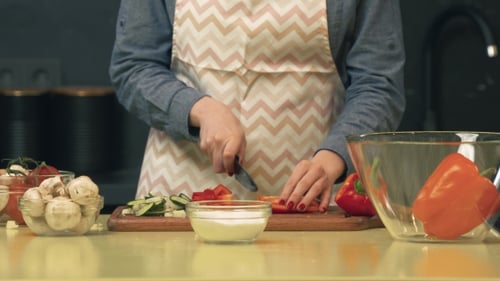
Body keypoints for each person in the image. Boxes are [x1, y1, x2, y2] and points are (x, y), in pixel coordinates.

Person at [109, 0, 405, 213]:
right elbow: (134, 66)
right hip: (183, 199)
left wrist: (334, 157)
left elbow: (380, 84)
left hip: (313, 203)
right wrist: (202, 110)